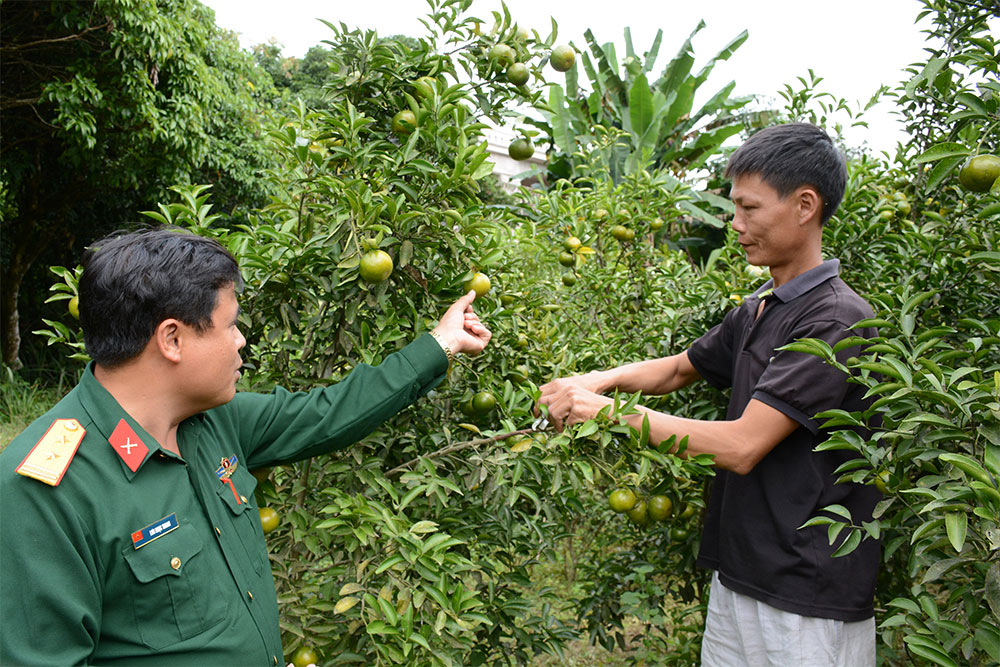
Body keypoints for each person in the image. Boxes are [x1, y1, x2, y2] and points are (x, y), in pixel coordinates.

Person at [0, 228, 491, 665]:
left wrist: (441, 343)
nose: (240, 342)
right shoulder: (46, 491)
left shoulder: (211, 421)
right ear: (172, 338)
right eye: (230, 324)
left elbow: (331, 412)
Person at [538, 123, 881, 666]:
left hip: (804, 598)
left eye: (749, 208)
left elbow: (743, 445)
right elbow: (678, 370)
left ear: (804, 205)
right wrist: (596, 381)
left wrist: (606, 412)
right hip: (741, 576)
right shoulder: (762, 307)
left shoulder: (835, 319)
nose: (735, 224)